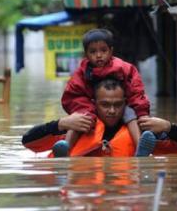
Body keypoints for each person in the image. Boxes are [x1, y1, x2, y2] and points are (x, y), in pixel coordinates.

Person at [22, 78, 177, 157]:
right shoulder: (78, 126)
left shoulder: (141, 134)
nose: (112, 110)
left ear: (126, 104)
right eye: (105, 105)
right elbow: (28, 141)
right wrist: (60, 123)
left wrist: (168, 127)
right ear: (94, 103)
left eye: (118, 105)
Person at [59, 28, 151, 156]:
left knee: (131, 114)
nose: (98, 55)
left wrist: (142, 113)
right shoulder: (81, 73)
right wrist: (81, 108)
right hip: (90, 105)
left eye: (103, 50)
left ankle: (140, 147)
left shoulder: (123, 68)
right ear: (86, 54)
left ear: (111, 51)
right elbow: (72, 94)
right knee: (81, 118)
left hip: (120, 106)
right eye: (93, 51)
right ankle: (65, 147)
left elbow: (136, 90)